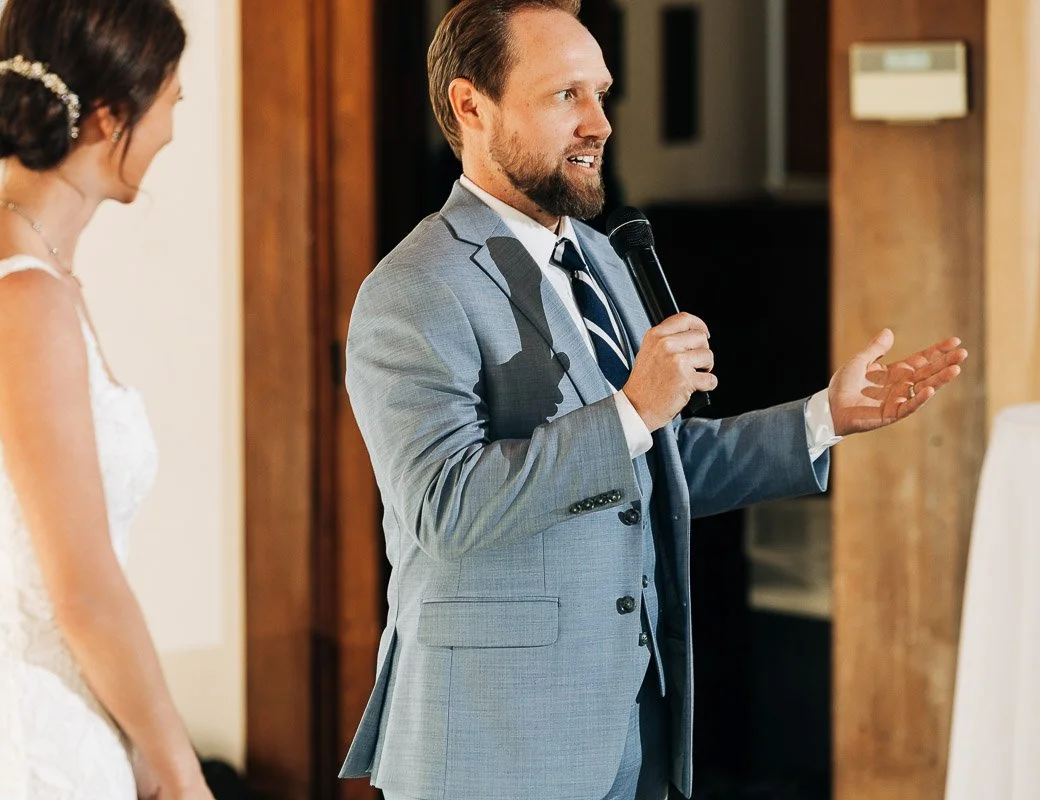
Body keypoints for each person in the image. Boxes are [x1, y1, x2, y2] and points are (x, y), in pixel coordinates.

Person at [337, 1, 967, 799]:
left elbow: (650, 467)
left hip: (629, 735)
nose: (599, 122)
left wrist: (824, 416)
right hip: (492, 746)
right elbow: (443, 507)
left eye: (602, 94)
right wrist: (631, 411)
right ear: (472, 106)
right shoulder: (414, 289)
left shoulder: (602, 256)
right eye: (565, 95)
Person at [0, 1, 212, 798]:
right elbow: (85, 590)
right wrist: (177, 765)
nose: (173, 122)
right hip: (21, 752)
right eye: (169, 96)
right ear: (107, 116)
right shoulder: (27, 299)